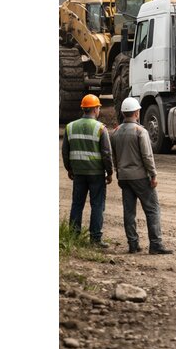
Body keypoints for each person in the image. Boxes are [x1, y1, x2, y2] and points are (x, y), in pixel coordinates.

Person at [111, 97, 173, 255]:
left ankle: (133, 244)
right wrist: (153, 174)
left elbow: (114, 157)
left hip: (124, 177)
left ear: (123, 113)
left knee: (129, 212)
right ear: (137, 113)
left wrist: (119, 171)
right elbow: (147, 156)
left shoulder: (115, 132)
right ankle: (156, 244)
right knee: (152, 209)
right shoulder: (140, 131)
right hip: (140, 177)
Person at [62, 94, 113, 248]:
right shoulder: (100, 128)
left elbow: (65, 151)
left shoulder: (70, 127)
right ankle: (95, 238)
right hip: (96, 174)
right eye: (99, 108)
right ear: (95, 109)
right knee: (97, 205)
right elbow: (106, 153)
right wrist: (109, 172)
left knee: (77, 204)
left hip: (78, 173)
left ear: (84, 109)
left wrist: (69, 168)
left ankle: (74, 236)